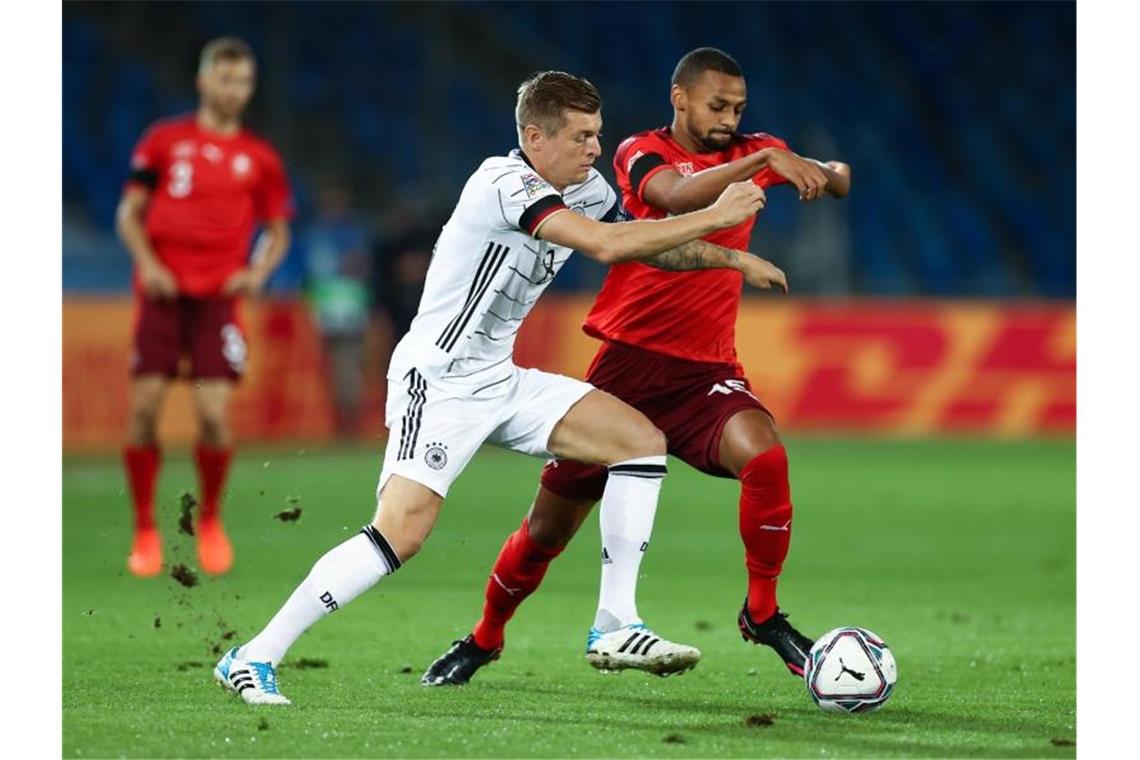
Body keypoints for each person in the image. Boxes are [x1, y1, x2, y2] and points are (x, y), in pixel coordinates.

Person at [214, 70, 786, 705]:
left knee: (640, 442)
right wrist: (715, 214)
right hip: (437, 381)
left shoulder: (589, 190)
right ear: (535, 137)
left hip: (499, 376)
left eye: (598, 134)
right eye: (582, 136)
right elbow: (602, 244)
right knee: (400, 532)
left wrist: (728, 255)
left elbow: (643, 248)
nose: (596, 149)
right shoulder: (502, 183)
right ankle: (253, 655)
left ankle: (615, 624)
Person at [421, 47, 850, 686]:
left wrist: (821, 169)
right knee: (547, 529)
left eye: (738, 108)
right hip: (625, 370)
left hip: (703, 372)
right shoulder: (635, 150)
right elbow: (673, 199)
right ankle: (483, 638)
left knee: (766, 457)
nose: (730, 118)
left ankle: (762, 613)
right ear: (679, 98)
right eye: (716, 106)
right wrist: (766, 161)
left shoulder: (756, 151)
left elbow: (837, 179)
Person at [116, 37, 293, 577]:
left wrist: (257, 273)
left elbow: (278, 231)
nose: (235, 90)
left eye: (243, 82)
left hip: (218, 300)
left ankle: (210, 520)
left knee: (213, 416)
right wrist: (149, 263)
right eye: (226, 79)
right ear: (204, 81)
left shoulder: (260, 157)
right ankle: (145, 527)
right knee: (144, 412)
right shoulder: (165, 141)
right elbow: (129, 214)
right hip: (163, 295)